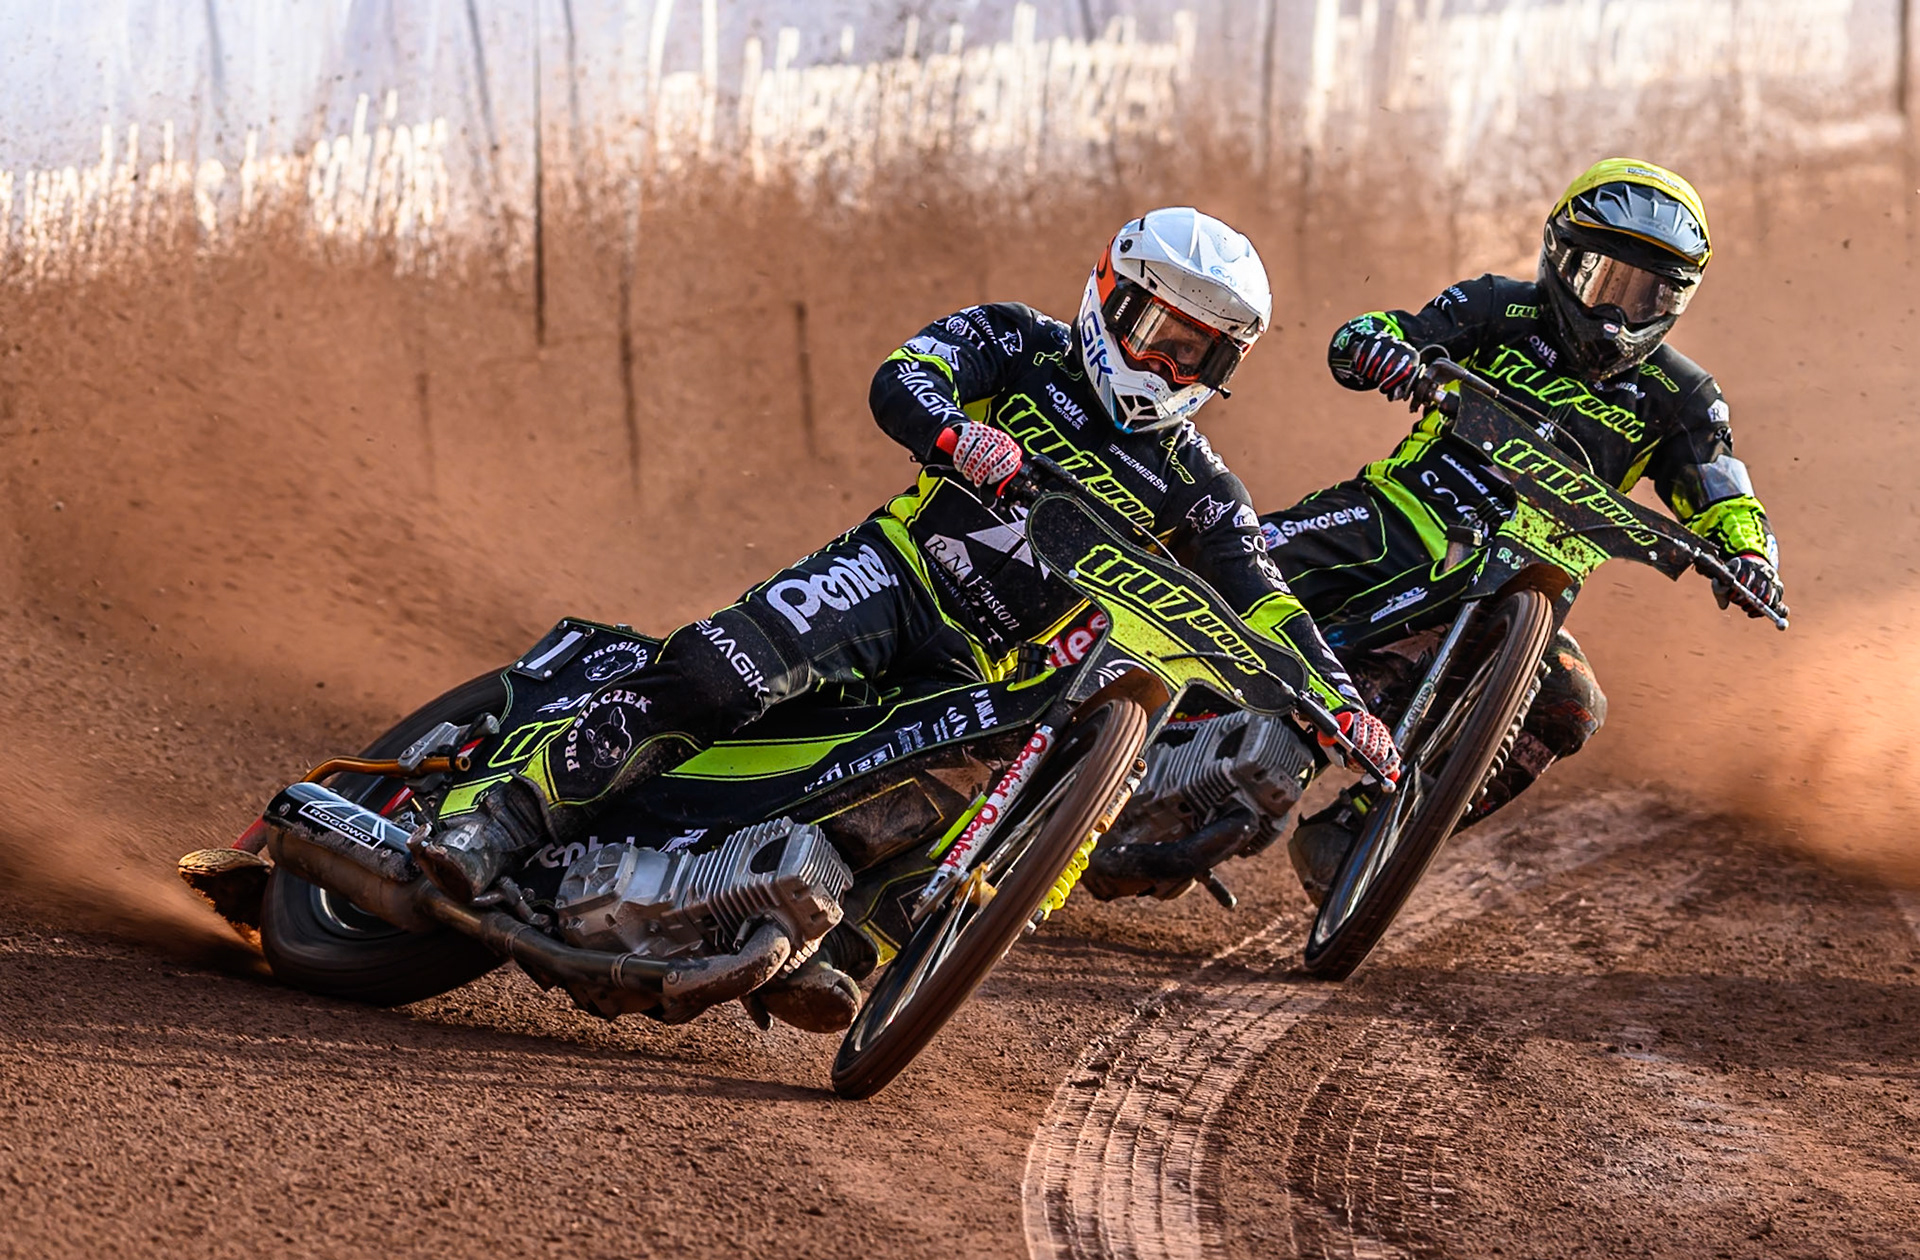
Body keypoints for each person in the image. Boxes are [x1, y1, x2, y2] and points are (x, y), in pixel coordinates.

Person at [418, 206, 1401, 1027]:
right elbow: (903, 377)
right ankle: (496, 817)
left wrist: (1345, 707)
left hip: (987, 671)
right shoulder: (1018, 342)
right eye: (1159, 334)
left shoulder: (1201, 484)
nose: (1170, 366)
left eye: (1201, 355)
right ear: (1111, 295)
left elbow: (1264, 596)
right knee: (726, 671)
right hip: (894, 578)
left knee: (943, 806)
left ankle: (828, 940)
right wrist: (956, 434)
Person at [1261, 158, 1786, 902]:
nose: (1616, 314)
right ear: (1560, 259)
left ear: (1678, 302)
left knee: (1571, 704)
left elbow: (1722, 488)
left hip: (1526, 586)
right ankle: (1069, 684)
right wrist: (1380, 346)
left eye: (1645, 296)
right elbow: (1380, 333)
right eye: (1604, 280)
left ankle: (1365, 826)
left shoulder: (1683, 395)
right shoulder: (1499, 308)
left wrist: (1749, 552)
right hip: (1405, 516)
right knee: (1235, 559)